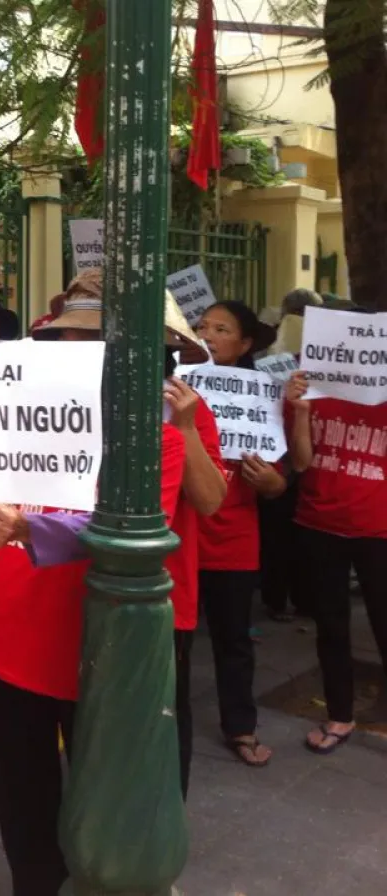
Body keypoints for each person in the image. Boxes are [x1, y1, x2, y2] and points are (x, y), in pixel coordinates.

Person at [31, 277, 226, 798]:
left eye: (94, 346)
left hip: (155, 601)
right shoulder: (45, 407)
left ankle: (158, 825)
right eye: (67, 345)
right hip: (62, 591)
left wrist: (184, 432)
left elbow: (210, 502)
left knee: (156, 723)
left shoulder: (183, 413)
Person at [286, 337, 387, 756]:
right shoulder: (308, 392)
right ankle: (340, 714)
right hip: (320, 524)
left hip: (378, 530)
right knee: (331, 627)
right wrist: (303, 410)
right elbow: (300, 463)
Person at [194, 301, 283, 767]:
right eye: (203, 326)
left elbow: (279, 479)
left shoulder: (264, 397)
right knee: (173, 641)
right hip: (183, 535)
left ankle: (241, 726)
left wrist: (272, 483)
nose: (208, 335)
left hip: (233, 540)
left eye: (221, 329)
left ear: (245, 344)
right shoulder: (177, 386)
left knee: (233, 640)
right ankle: (165, 723)